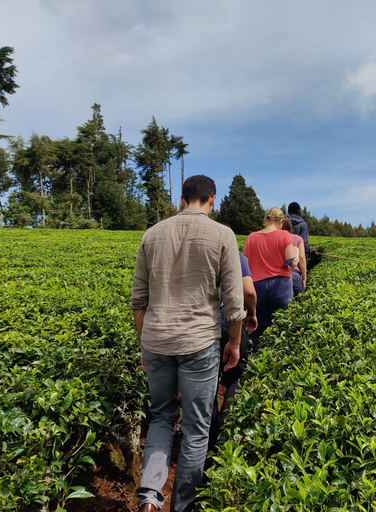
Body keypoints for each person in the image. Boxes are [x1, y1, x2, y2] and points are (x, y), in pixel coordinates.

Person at [131, 175, 245, 512]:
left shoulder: (151, 235)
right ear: (212, 199)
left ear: (182, 200)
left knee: (162, 417)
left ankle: (149, 497)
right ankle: (183, 506)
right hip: (199, 340)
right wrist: (235, 343)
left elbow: (139, 300)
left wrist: (143, 346)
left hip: (156, 340)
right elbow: (234, 303)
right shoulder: (223, 234)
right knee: (197, 428)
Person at [207, 252, 257, 452]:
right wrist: (251, 314)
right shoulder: (237, 256)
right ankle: (225, 432)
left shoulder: (193, 254)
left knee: (206, 382)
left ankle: (207, 438)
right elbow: (249, 292)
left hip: (201, 329)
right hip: (230, 327)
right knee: (237, 377)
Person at [243, 207, 298, 351]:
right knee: (282, 326)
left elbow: (245, 265)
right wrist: (297, 253)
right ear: (280, 221)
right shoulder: (285, 235)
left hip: (257, 286)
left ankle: (259, 359)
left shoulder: (251, 237)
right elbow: (291, 262)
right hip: (281, 285)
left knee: (258, 326)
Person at [282, 215, 307, 296]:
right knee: (301, 298)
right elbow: (302, 258)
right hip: (294, 273)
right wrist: (304, 278)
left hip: (278, 275)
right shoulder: (298, 239)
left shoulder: (275, 238)